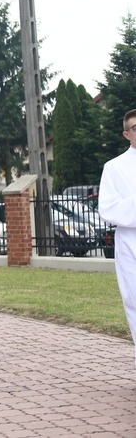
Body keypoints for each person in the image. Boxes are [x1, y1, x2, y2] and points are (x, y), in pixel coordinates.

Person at [99, 108, 136, 365]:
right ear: (126, 134)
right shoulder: (114, 168)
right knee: (134, 300)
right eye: (135, 128)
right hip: (130, 241)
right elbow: (108, 207)